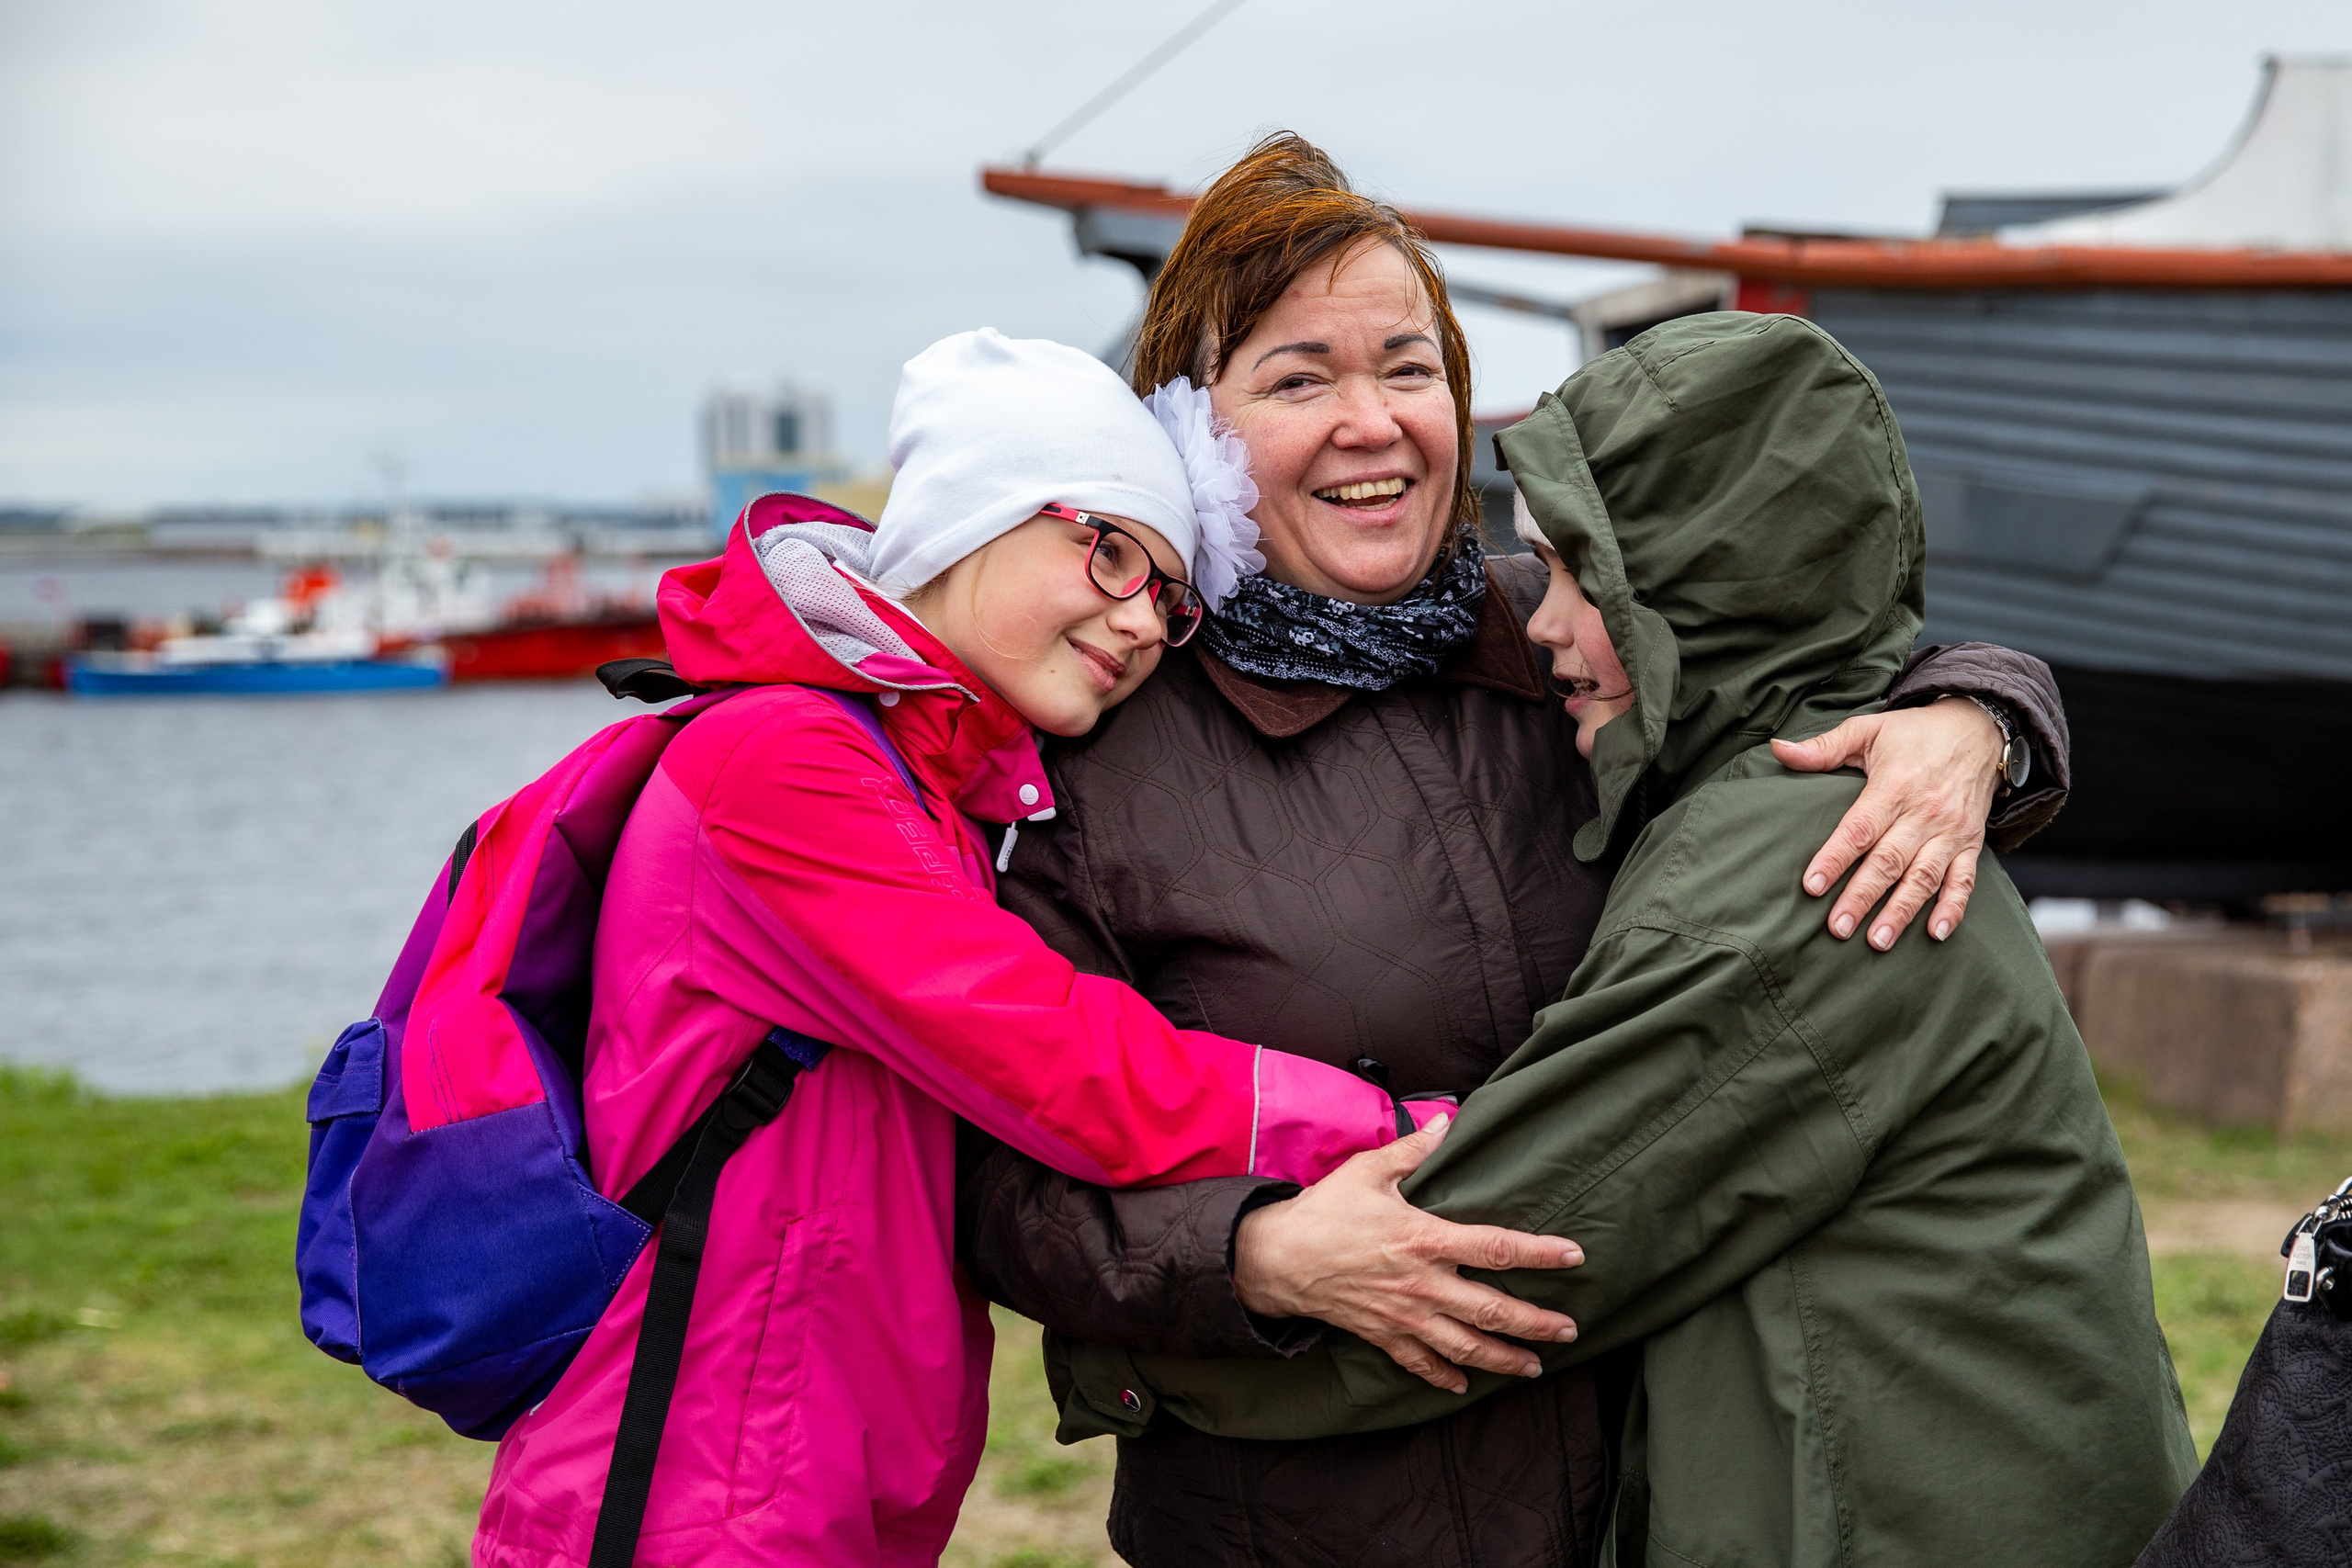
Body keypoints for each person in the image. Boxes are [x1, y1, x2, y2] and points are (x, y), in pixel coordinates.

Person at [957, 134, 2076, 1566]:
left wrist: (1975, 712)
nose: (1372, 423)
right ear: (1190, 432)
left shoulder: (1571, 641)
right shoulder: (1095, 744)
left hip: (1649, 1498)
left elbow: (1810, 648)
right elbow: (993, 1173)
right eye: (1298, 379)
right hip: (1301, 1520)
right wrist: (1244, 1256)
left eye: (1409, 368)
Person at [468, 329, 1507, 1568]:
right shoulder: (789, 763)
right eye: (1111, 552)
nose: (1138, 624)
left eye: (1171, 598)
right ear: (973, 518)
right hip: (694, 1492)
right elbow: (1056, 1055)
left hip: (802, 1478)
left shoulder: (932, 784)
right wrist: (1394, 1129)